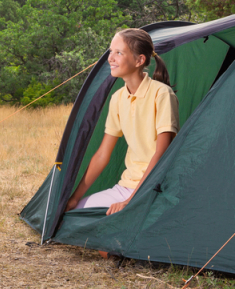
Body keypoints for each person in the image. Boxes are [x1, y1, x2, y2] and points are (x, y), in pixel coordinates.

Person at [65, 28, 178, 215]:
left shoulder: (162, 94)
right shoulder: (118, 98)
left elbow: (161, 153)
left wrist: (130, 201)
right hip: (125, 187)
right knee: (76, 214)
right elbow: (102, 154)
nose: (111, 58)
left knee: (109, 230)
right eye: (110, 51)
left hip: (154, 187)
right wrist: (74, 199)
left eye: (118, 52)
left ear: (139, 60)